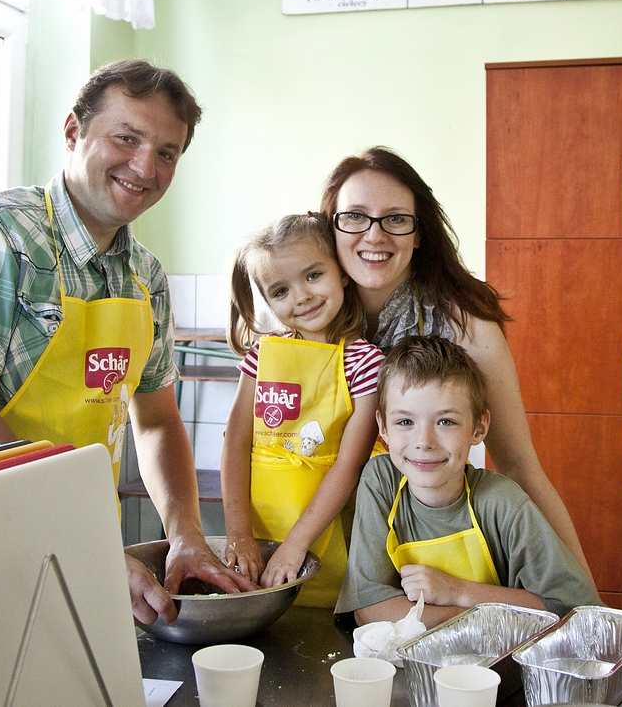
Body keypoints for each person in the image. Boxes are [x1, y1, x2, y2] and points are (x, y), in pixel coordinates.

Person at [0, 59, 256, 624]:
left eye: (167, 153)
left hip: (75, 553)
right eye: (126, 138)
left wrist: (186, 535)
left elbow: (157, 421)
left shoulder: (145, 276)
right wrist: (81, 542)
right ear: (73, 131)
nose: (145, 167)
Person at [319, 146, 595, 585]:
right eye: (355, 216)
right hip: (317, 547)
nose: (374, 235)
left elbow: (518, 464)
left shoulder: (463, 323)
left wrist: (585, 600)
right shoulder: (307, 314)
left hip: (424, 559)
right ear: (330, 226)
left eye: (396, 219)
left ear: (419, 233)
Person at [336, 336, 601, 627]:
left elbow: (571, 610)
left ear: (479, 428)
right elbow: (369, 610)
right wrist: (477, 617)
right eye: (405, 422)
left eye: (445, 421)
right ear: (383, 428)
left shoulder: (503, 502)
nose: (423, 442)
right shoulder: (381, 482)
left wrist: (457, 591)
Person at [220, 214, 383, 608]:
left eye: (313, 275)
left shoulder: (366, 364)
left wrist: (296, 544)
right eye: (281, 291)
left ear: (342, 272)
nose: (302, 296)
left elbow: (350, 464)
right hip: (261, 528)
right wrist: (239, 534)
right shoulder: (262, 356)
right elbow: (236, 443)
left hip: (328, 530)